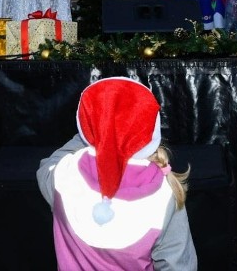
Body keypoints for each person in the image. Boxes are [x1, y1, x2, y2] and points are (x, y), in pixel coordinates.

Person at [37, 76, 197, 270]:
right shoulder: (164, 193)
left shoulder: (64, 174)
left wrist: (98, 131)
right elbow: (178, 265)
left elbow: (47, 166)